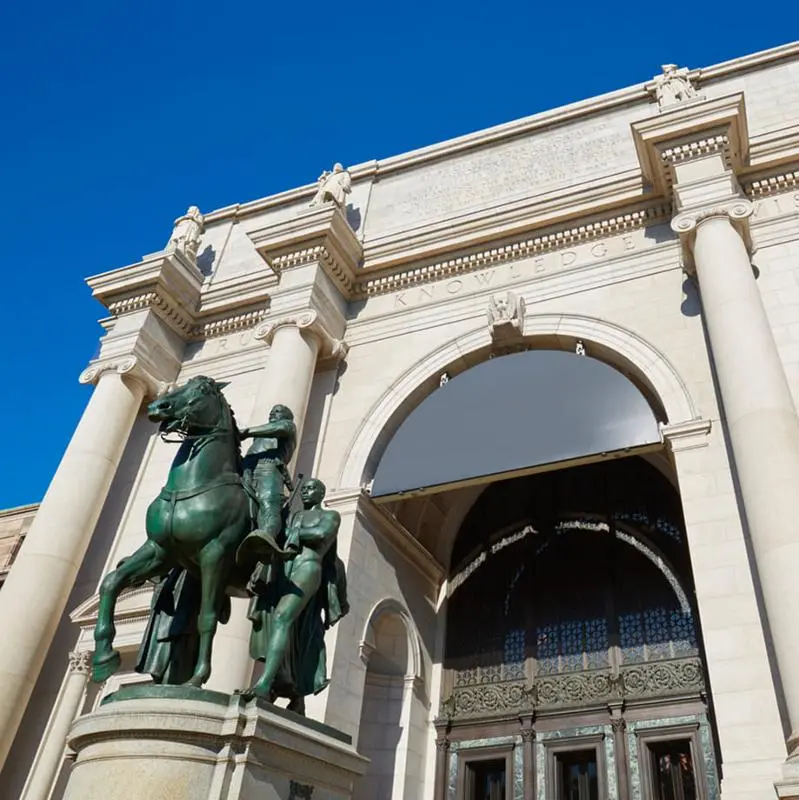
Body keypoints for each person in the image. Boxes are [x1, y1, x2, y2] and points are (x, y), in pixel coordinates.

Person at [240, 478, 348, 704]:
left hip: (308, 568)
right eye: (305, 489)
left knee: (282, 617)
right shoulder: (294, 515)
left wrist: (293, 529)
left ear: (321, 493)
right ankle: (295, 692)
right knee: (291, 628)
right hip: (285, 569)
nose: (306, 492)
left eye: (311, 489)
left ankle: (264, 683)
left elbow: (321, 535)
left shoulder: (330, 516)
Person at [236, 404, 297, 568]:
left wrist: (246, 432)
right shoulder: (262, 434)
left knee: (268, 503)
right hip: (247, 467)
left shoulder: (287, 426)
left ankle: (266, 537)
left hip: (268, 468)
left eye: (277, 412)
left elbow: (279, 428)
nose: (272, 414)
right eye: (271, 412)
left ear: (287, 416)